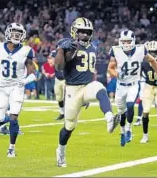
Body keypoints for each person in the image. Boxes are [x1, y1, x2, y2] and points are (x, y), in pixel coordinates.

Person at [54, 17, 120, 167]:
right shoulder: (66, 44)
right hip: (72, 89)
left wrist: (88, 97)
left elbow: (91, 71)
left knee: (100, 88)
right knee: (69, 126)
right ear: (74, 32)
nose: (84, 35)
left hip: (87, 86)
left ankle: (110, 119)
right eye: (81, 32)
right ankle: (61, 151)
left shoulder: (93, 47)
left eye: (87, 32)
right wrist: (61, 49)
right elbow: (58, 67)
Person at [107, 31, 157, 147]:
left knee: (130, 105)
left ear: (132, 41)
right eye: (124, 41)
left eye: (128, 41)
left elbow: (153, 61)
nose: (126, 43)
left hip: (133, 84)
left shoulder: (140, 49)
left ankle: (129, 129)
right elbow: (110, 68)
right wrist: (117, 75)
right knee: (122, 114)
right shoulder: (116, 50)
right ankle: (122, 132)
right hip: (120, 86)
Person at [0, 23, 36, 157]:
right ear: (8, 33)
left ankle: (11, 148)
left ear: (23, 35)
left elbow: (33, 73)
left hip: (17, 87)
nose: (16, 35)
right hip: (3, 87)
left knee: (14, 116)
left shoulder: (26, 50)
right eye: (14, 32)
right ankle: (12, 122)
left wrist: (25, 81)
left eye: (19, 33)